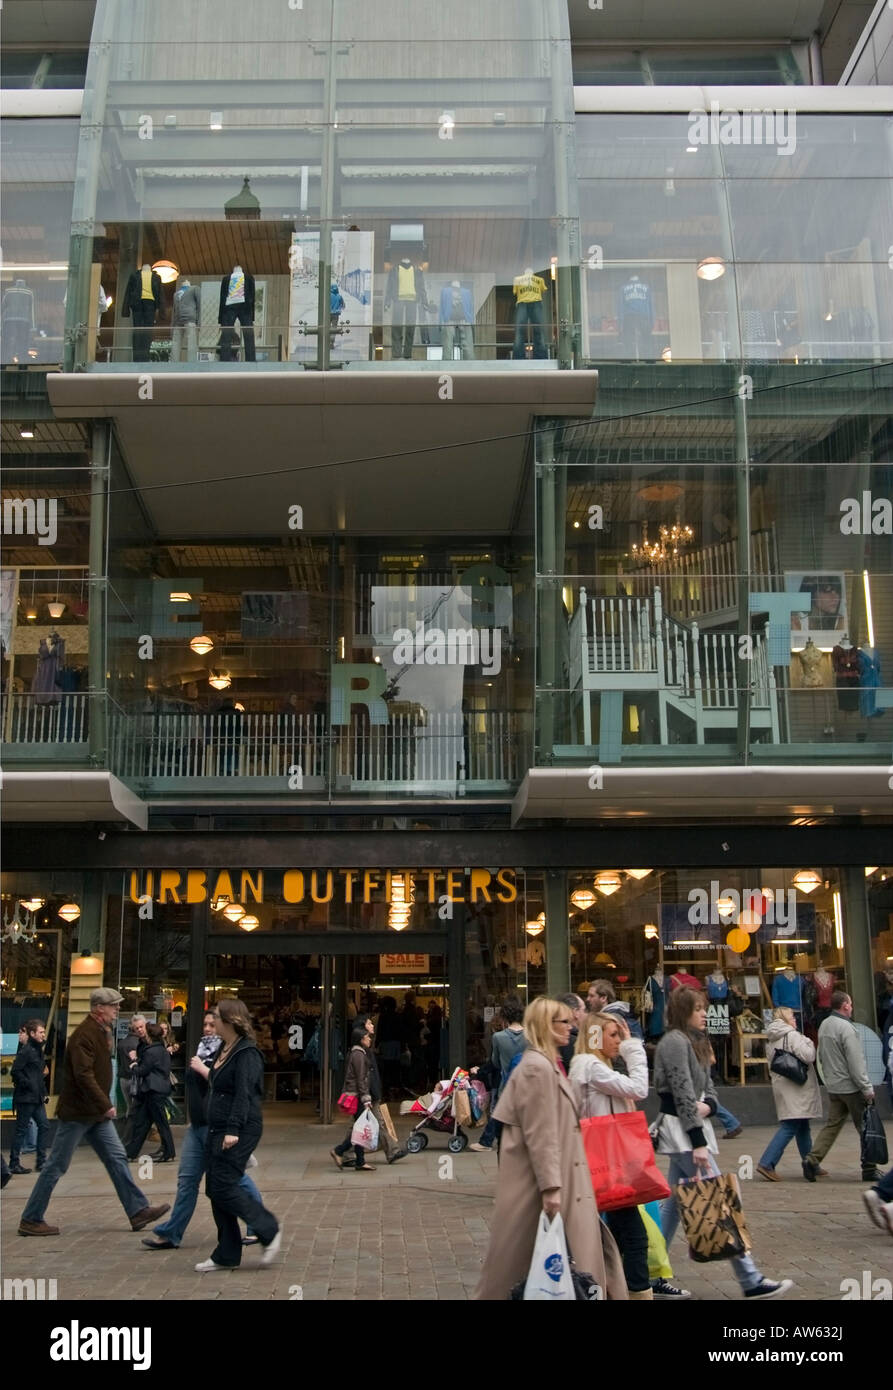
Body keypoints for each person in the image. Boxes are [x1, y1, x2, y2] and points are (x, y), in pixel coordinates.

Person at [473, 996, 627, 1300]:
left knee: (570, 1263)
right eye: (563, 1022)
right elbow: (540, 1133)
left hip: (565, 1182)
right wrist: (552, 1188)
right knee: (531, 1269)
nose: (571, 1028)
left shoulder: (547, 1063)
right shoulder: (537, 1068)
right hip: (548, 1188)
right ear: (546, 1025)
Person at [655, 987, 792, 1300]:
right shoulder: (675, 1042)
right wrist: (699, 1141)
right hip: (683, 1131)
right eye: (698, 1009)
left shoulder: (696, 1041)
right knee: (719, 1200)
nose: (705, 1013)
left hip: (689, 1129)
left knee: (675, 1204)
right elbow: (681, 1092)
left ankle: (650, 1273)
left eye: (704, 1008)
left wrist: (711, 1107)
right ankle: (750, 1279)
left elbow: (708, 1089)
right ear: (683, 1011)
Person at [18, 987, 170, 1237]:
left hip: (94, 1114)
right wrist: (105, 1104)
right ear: (99, 1008)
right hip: (79, 1112)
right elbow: (83, 1075)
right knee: (56, 1164)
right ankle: (31, 1218)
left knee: (117, 1158)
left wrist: (101, 1106)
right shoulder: (84, 1035)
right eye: (114, 1005)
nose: (117, 1009)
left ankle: (137, 1210)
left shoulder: (100, 1031)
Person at [142, 1011, 267, 1250]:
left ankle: (257, 1225)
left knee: (235, 1178)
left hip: (216, 1126)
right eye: (206, 1024)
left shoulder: (231, 1053)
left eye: (213, 1024)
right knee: (187, 1180)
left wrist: (202, 1069)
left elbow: (232, 1086)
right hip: (198, 1125)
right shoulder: (201, 1048)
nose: (208, 1028)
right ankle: (171, 1233)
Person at [569, 1012, 654, 1299]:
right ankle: (634, 1291)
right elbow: (639, 1088)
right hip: (604, 1163)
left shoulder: (591, 1064)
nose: (619, 1040)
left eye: (620, 1035)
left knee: (615, 1235)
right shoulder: (590, 1065)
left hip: (604, 1162)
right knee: (632, 1236)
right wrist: (633, 1048)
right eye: (613, 1034)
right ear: (595, 1036)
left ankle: (617, 1289)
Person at [195, 998, 281, 1272]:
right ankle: (227, 1254)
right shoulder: (225, 1047)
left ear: (230, 1021)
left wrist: (233, 1130)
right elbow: (219, 1083)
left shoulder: (246, 1054)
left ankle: (268, 1228)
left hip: (239, 1128)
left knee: (223, 1186)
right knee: (214, 1189)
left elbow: (244, 1094)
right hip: (217, 1127)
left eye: (216, 1017)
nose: (212, 1022)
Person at [804, 990, 884, 1183]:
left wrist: (830, 1078)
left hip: (835, 1085)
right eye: (850, 1003)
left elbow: (821, 1054)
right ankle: (869, 1167)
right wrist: (866, 1087)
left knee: (832, 1125)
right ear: (845, 1005)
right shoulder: (846, 1028)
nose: (852, 1007)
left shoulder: (825, 1025)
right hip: (851, 1087)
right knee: (865, 1127)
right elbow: (855, 1061)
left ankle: (812, 1159)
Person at [756, 1007, 824, 1181]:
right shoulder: (792, 1035)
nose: (795, 1019)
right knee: (791, 1125)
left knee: (802, 1126)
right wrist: (808, 1041)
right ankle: (767, 1162)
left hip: (783, 1085)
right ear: (786, 1018)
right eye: (792, 1016)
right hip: (796, 1087)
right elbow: (809, 1056)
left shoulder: (772, 1038)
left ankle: (811, 1163)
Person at [470, 996, 527, 1153]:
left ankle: (494, 1144)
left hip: (506, 1084)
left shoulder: (498, 1037)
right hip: (527, 1084)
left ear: (504, 1016)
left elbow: (495, 1062)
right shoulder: (530, 1036)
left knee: (501, 1115)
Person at [125, 1022, 175, 1162]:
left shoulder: (151, 1051)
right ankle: (131, 1152)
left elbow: (142, 1070)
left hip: (153, 1090)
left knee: (157, 1122)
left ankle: (168, 1151)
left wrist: (133, 1064)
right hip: (157, 1089)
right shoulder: (161, 1049)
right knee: (144, 1122)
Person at [330, 1027, 377, 1173]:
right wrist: (365, 1097)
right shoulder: (358, 1054)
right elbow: (360, 1078)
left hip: (357, 1094)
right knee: (360, 1128)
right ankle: (339, 1150)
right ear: (361, 1039)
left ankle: (360, 1161)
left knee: (360, 1126)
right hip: (357, 1095)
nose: (369, 1039)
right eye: (367, 1037)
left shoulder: (357, 1053)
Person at [9, 1019, 49, 1174]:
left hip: (36, 1097)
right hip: (26, 1098)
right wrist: (27, 1084)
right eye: (41, 1032)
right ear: (32, 1034)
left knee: (44, 1125)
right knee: (21, 1129)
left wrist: (43, 1092)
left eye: (44, 1032)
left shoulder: (38, 1051)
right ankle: (14, 1163)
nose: (43, 1035)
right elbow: (15, 1071)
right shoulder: (26, 1051)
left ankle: (41, 1161)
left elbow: (39, 1074)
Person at [118, 1013, 148, 1124]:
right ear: (133, 1028)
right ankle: (132, 1133)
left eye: (141, 1027)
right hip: (136, 1078)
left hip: (124, 1078)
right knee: (137, 1107)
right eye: (137, 1028)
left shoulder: (122, 1043)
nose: (139, 1030)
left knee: (130, 1107)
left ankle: (130, 1132)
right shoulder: (140, 1043)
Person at [558, 993, 586, 1070]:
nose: (586, 1015)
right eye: (584, 1010)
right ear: (576, 1012)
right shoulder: (572, 1041)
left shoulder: (555, 1039)